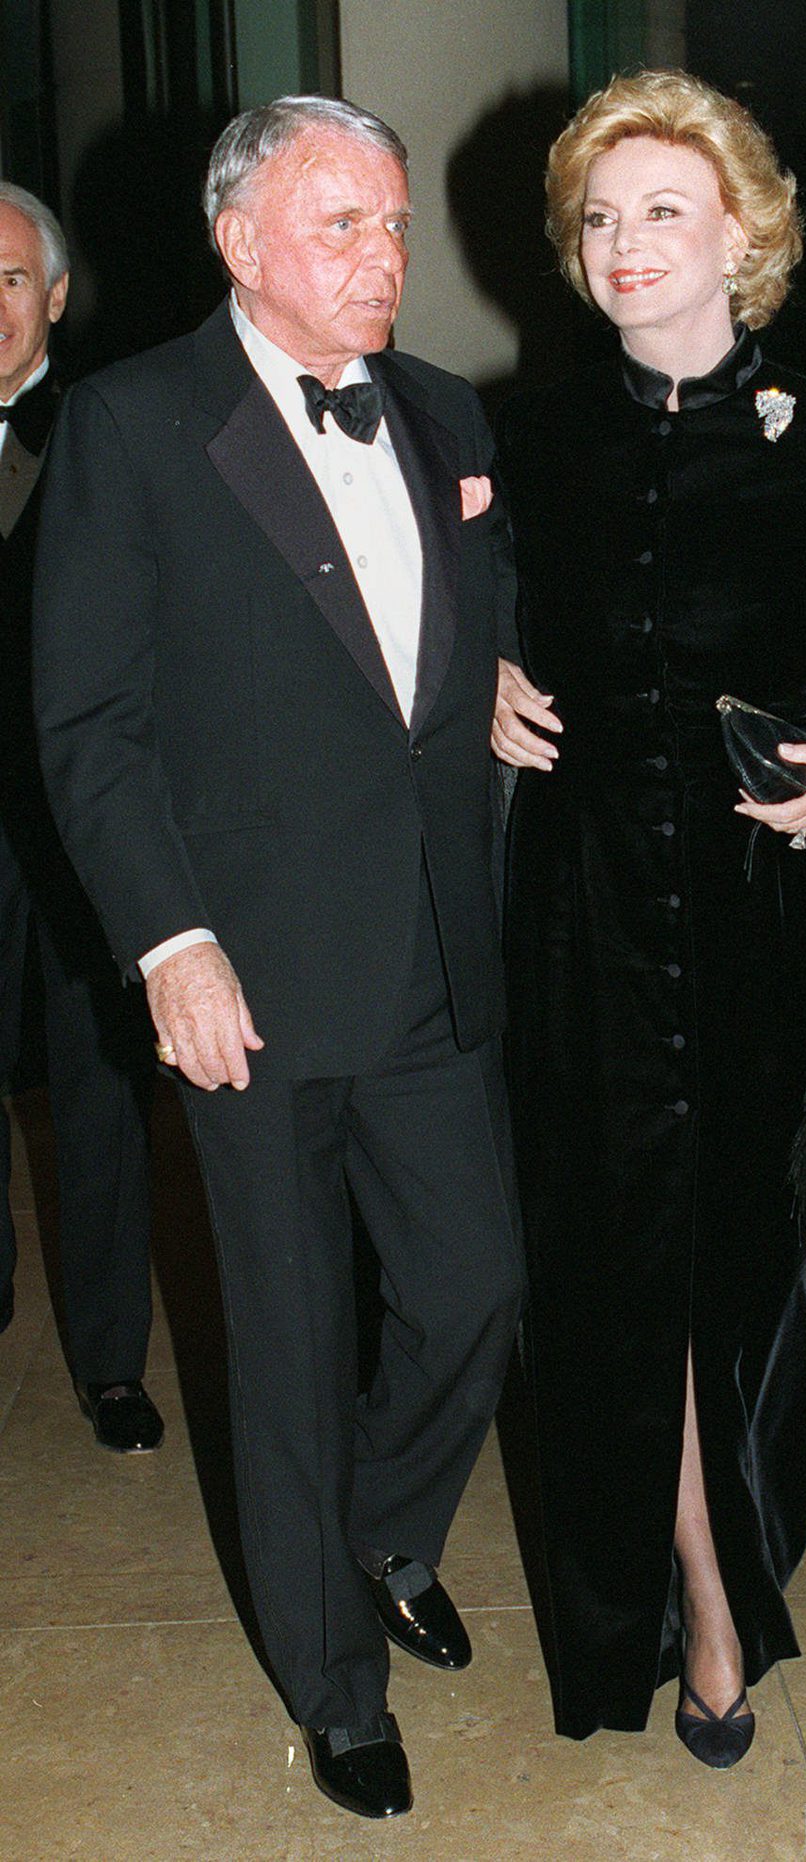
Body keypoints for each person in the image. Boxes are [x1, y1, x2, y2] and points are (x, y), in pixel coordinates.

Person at [32, 98, 524, 1822]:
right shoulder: (136, 422)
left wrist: (510, 692)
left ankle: (382, 1523)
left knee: (476, 1293)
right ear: (242, 241)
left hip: (434, 956)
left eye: (394, 224)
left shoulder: (450, 410)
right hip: (241, 971)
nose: (387, 256)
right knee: (296, 1338)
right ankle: (335, 1679)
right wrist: (167, 939)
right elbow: (87, 722)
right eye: (345, 226)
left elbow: (460, 647)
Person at [492, 71, 806, 1759]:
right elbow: (424, 628)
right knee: (621, 1274)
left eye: (664, 212)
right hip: (582, 911)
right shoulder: (524, 436)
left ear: (744, 236)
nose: (626, 246)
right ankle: (698, 1596)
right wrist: (476, 677)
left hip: (773, 909)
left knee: (751, 1275)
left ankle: (728, 1547)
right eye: (601, 218)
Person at [0, 182, 160, 1453]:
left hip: (80, 814)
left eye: (9, 278)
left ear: (54, 296)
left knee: (103, 1084)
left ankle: (112, 1360)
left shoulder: (115, 426)